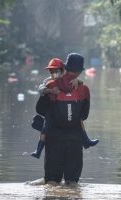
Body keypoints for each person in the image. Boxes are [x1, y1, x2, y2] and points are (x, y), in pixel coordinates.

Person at [36, 53, 91, 185]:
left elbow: (40, 110)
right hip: (75, 140)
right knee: (72, 183)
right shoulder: (83, 89)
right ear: (79, 71)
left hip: (54, 139)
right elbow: (84, 115)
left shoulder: (50, 85)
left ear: (65, 68)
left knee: (52, 183)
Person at [31, 58, 99, 159]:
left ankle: (86, 140)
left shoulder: (68, 80)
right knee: (46, 128)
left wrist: (77, 81)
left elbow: (81, 83)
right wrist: (50, 90)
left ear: (63, 71)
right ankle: (39, 150)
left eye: (56, 71)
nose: (53, 74)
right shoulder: (48, 81)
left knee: (79, 119)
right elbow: (41, 89)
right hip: (53, 111)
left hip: (68, 110)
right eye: (51, 72)